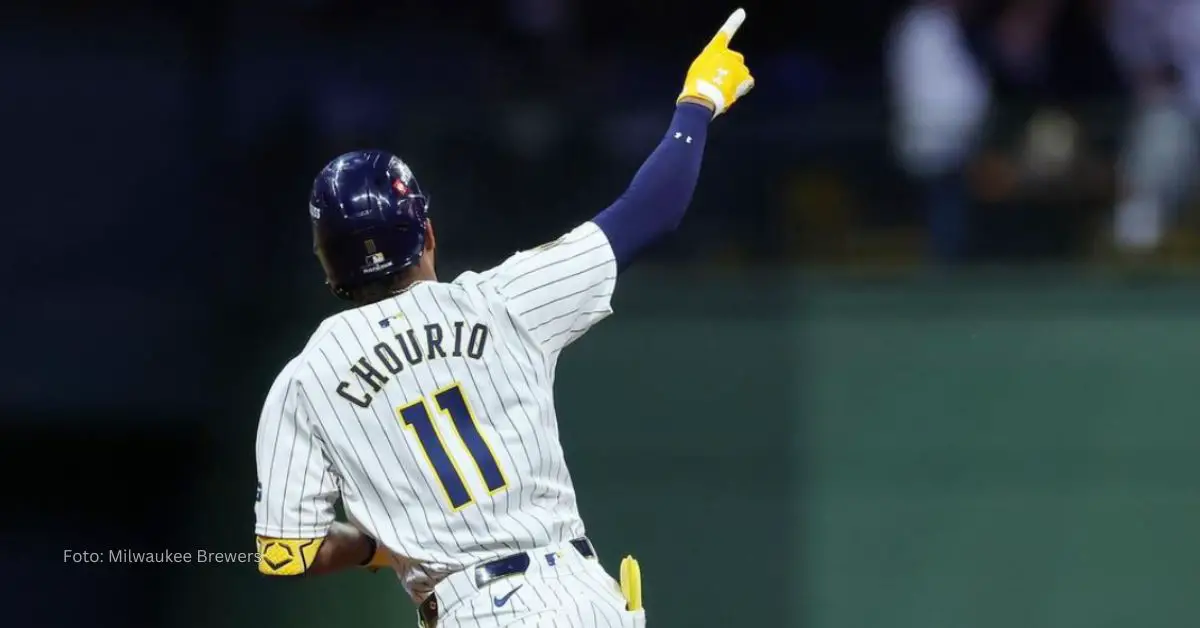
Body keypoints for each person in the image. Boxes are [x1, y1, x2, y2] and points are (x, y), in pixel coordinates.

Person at [251, 9, 754, 628]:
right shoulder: (503, 299)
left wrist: (379, 544)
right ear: (427, 233)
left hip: (472, 610)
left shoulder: (304, 381)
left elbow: (287, 554)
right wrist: (697, 102)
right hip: (581, 598)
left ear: (328, 265)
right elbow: (651, 210)